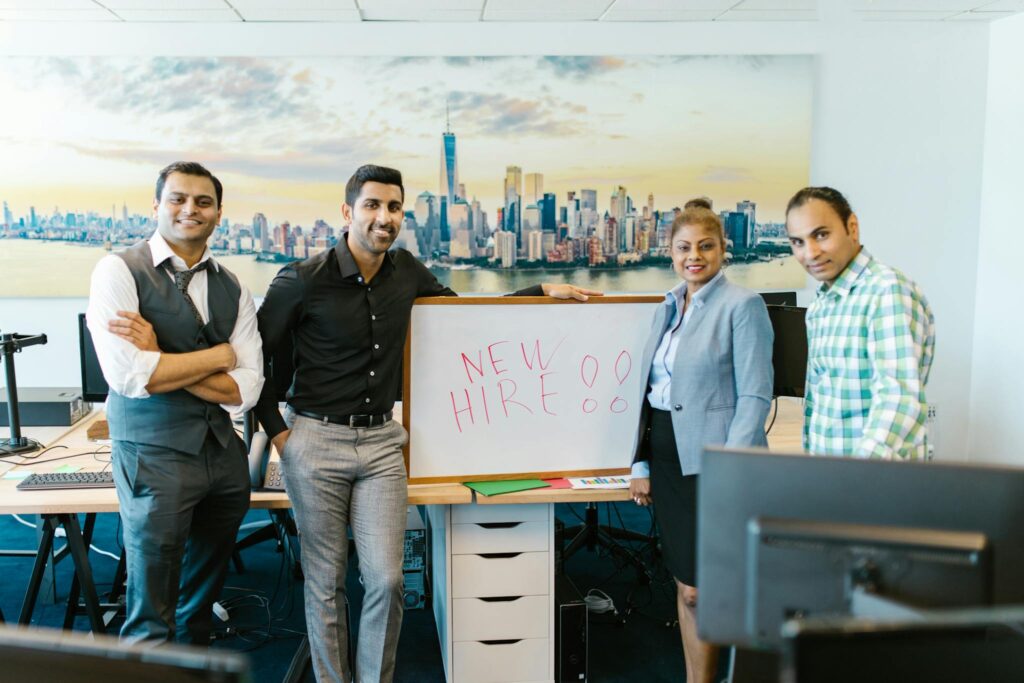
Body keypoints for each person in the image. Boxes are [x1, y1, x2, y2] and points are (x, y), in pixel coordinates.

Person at [255, 164, 598, 683]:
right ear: (348, 212)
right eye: (372, 205)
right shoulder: (301, 281)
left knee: (387, 580)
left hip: (380, 444)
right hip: (315, 441)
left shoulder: (408, 271)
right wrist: (281, 435)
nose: (384, 217)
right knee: (325, 582)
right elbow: (255, 360)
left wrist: (539, 291)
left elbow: (464, 322)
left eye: (394, 208)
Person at [86, 161, 263, 644]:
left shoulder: (234, 286)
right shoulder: (118, 270)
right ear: (157, 206)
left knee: (199, 607)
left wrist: (162, 356)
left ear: (218, 213)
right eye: (178, 199)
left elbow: (247, 387)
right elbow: (129, 375)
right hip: (152, 454)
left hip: (223, 457)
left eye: (203, 202)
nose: (191, 209)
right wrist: (215, 357)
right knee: (151, 611)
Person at [629, 200, 773, 683]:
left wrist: (728, 469)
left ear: (722, 250)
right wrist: (640, 462)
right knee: (685, 582)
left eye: (705, 246)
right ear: (670, 251)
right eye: (684, 247)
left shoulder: (742, 306)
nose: (695, 256)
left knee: (702, 589)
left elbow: (755, 395)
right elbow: (648, 394)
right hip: (667, 456)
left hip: (713, 461)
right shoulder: (668, 305)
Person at [785, 186, 935, 459]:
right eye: (798, 242)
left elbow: (899, 400)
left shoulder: (887, 291)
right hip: (833, 478)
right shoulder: (821, 305)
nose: (811, 252)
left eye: (821, 235)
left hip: (875, 482)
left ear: (851, 227)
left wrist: (856, 478)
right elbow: (821, 407)